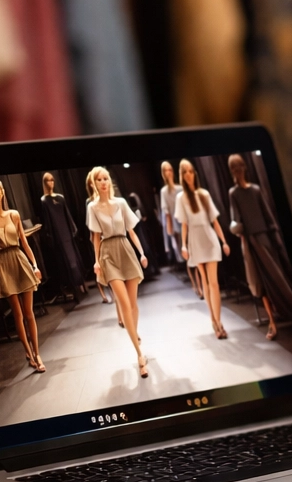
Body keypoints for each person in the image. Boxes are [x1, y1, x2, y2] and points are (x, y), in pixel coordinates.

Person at [226, 153, 292, 341]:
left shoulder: (256, 190)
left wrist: (275, 239)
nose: (238, 170)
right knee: (260, 284)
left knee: (277, 279)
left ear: (245, 167)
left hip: (265, 241)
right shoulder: (233, 193)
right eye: (234, 168)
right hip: (251, 244)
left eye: (239, 166)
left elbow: (268, 217)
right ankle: (272, 322)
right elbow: (236, 220)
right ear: (231, 171)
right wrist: (237, 228)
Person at [86, 165, 150, 376]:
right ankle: (139, 354)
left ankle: (134, 332)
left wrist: (141, 253)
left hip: (125, 249)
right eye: (99, 179)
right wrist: (96, 261)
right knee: (123, 303)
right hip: (108, 254)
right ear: (94, 184)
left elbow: (131, 231)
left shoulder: (121, 203)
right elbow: (95, 238)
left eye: (105, 178)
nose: (103, 182)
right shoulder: (93, 207)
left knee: (133, 304)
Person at [0, 177, 44, 372]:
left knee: (29, 313)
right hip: (3, 265)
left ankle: (37, 353)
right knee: (17, 314)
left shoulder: (14, 214)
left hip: (19, 260)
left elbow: (24, 243)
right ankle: (29, 353)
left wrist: (35, 265)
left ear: (3, 192)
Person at [176, 158, 231, 339]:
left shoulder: (204, 194)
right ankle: (214, 321)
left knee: (214, 283)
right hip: (195, 239)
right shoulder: (181, 198)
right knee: (205, 283)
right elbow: (184, 224)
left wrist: (224, 241)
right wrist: (183, 245)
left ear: (195, 174)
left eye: (191, 171)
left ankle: (219, 321)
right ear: (182, 176)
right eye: (185, 172)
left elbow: (214, 220)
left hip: (209, 237)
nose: (189, 175)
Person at [37, 172, 87, 299]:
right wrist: (50, 236)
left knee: (74, 259)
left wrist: (72, 229)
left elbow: (67, 215)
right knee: (66, 262)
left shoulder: (60, 198)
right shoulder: (44, 200)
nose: (51, 183)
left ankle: (81, 284)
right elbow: (47, 221)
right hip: (57, 235)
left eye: (52, 180)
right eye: (48, 181)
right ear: (44, 183)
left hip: (67, 233)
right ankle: (73, 287)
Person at [159, 159, 202, 298]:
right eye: (166, 170)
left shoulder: (180, 188)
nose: (168, 172)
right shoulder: (164, 192)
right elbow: (167, 213)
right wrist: (170, 230)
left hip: (189, 223)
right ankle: (196, 285)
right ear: (163, 173)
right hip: (177, 227)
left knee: (196, 254)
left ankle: (200, 284)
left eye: (170, 169)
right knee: (187, 257)